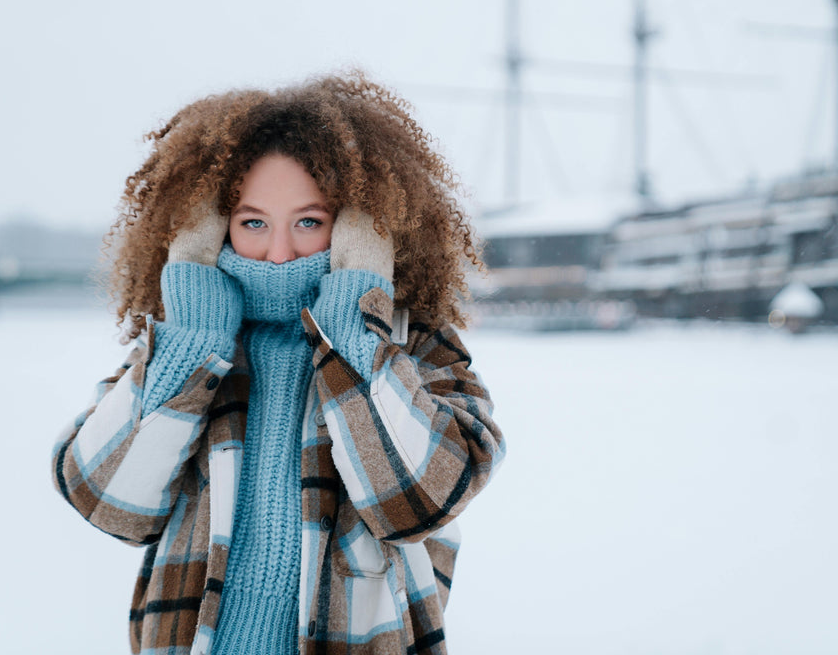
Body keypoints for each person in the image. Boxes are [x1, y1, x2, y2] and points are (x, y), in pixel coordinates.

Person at [51, 73, 506, 655]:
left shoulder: (409, 345)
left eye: (310, 222)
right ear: (212, 227)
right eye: (253, 222)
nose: (280, 252)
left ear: (361, 229)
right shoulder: (189, 346)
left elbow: (417, 501)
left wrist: (352, 329)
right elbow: (107, 501)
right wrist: (191, 339)